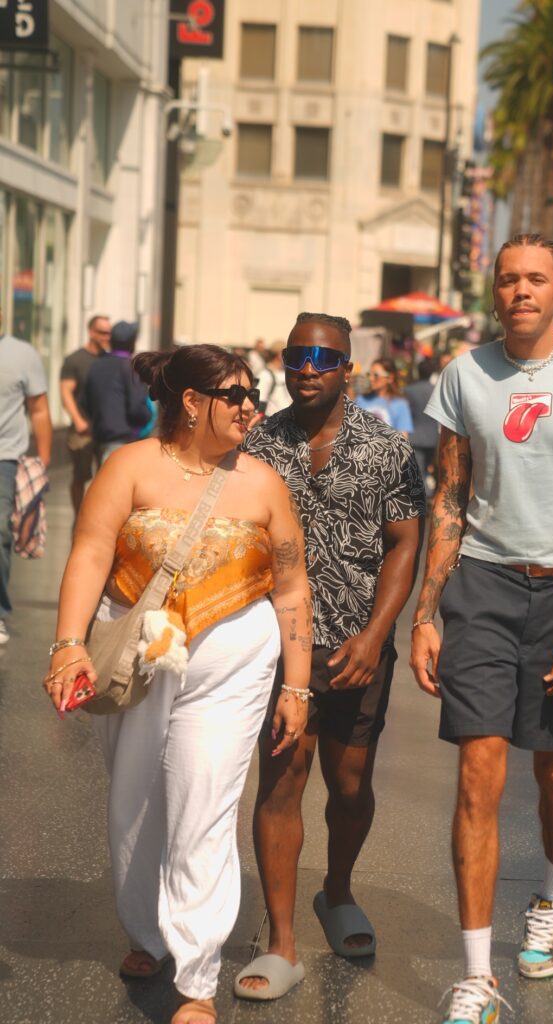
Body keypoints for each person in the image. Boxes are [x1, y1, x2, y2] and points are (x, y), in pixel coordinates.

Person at [410, 234, 553, 1023]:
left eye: (535, 279)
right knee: (479, 773)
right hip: (481, 585)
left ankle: (552, 897)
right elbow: (448, 497)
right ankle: (477, 978)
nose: (521, 291)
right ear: (496, 291)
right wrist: (426, 610)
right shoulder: (464, 374)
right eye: (509, 279)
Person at [43, 344, 312, 1024]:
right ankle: (147, 931)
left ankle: (195, 976)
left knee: (204, 807)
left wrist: (297, 686)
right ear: (191, 402)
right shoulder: (128, 466)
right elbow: (91, 551)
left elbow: (291, 586)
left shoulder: (262, 483)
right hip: (137, 659)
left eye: (255, 395)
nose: (252, 407)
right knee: (133, 801)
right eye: (237, 396)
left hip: (234, 669)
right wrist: (70, 645)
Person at [236, 312, 424, 1001]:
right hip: (277, 645)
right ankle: (282, 944)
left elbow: (406, 542)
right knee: (283, 781)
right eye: (296, 354)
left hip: (357, 646)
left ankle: (337, 890)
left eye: (323, 355)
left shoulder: (388, 446)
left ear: (348, 367)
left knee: (348, 787)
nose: (307, 366)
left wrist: (377, 636)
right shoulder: (257, 444)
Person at [0, 309, 53, 645]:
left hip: (4, 457)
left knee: (0, 530)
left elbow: (39, 408)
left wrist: (44, 456)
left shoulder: (22, 354)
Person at [59, 314, 111, 514]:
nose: (107, 336)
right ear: (91, 332)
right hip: (82, 429)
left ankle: (96, 517)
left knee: (105, 478)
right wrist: (78, 420)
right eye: (102, 332)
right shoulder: (75, 360)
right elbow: (65, 392)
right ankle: (78, 516)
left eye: (109, 332)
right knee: (80, 476)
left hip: (105, 430)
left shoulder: (109, 360)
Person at [84, 321, 152, 462]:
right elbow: (137, 408)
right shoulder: (130, 368)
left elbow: (85, 403)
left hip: (100, 440)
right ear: (132, 343)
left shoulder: (96, 365)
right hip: (122, 442)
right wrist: (146, 418)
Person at [405, 358, 439, 494]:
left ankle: (422, 501)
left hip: (415, 436)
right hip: (433, 437)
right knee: (426, 470)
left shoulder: (409, 390)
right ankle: (427, 497)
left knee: (418, 471)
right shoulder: (436, 389)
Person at [355, 357, 414, 434]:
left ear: (390, 378)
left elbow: (403, 439)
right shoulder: (360, 400)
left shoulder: (400, 404)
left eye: (376, 375)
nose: (371, 378)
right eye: (369, 374)